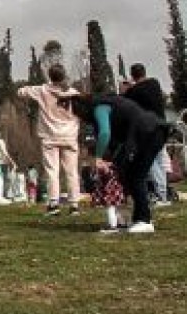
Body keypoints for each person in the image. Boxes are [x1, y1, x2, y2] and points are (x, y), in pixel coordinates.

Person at [69, 93, 168, 234]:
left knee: (136, 176)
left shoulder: (100, 107)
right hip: (151, 131)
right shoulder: (110, 103)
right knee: (125, 173)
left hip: (148, 132)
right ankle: (129, 219)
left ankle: (145, 221)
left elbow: (105, 133)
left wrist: (97, 157)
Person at [19, 66, 81, 215]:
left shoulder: (43, 90)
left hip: (50, 136)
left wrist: (29, 89)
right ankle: (74, 205)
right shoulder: (74, 94)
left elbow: (21, 92)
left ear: (50, 77)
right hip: (70, 135)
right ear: (64, 76)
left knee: (52, 171)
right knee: (72, 171)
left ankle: (54, 204)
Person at [123, 63, 171, 205]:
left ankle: (160, 195)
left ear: (132, 75)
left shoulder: (134, 91)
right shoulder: (155, 83)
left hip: (149, 130)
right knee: (161, 161)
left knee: (151, 162)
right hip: (163, 127)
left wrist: (129, 87)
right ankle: (163, 193)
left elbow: (125, 100)